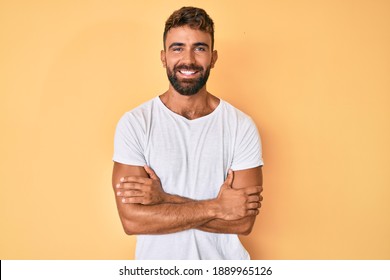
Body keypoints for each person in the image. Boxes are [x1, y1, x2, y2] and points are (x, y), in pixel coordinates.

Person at [112, 6, 264, 260]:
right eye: (178, 47)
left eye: (200, 48)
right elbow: (132, 221)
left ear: (213, 57)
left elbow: (243, 222)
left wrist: (163, 199)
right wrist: (218, 207)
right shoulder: (136, 123)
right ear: (163, 57)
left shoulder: (240, 126)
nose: (189, 60)